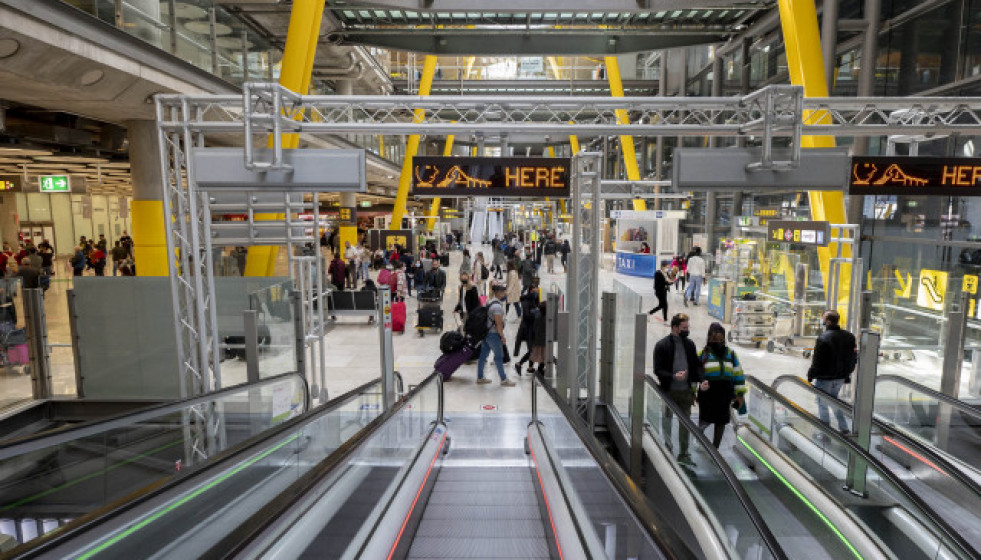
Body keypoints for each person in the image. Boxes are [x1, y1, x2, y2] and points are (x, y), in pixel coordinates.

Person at [653, 313, 703, 465]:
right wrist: (674, 376)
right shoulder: (662, 345)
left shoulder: (690, 345)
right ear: (675, 327)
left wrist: (701, 382)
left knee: (685, 424)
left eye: (688, 327)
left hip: (685, 392)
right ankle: (667, 448)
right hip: (669, 391)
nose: (687, 330)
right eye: (684, 327)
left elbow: (694, 368)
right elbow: (658, 370)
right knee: (667, 420)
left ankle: (684, 452)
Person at [807, 310, 857, 435]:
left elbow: (818, 360)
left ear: (828, 321)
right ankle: (844, 428)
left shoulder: (823, 338)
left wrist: (811, 374)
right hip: (840, 377)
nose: (822, 321)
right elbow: (852, 358)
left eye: (823, 319)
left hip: (825, 378)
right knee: (834, 401)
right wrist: (847, 373)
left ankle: (825, 430)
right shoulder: (849, 336)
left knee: (822, 403)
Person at [697, 323, 746, 448]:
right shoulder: (703, 354)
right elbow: (694, 374)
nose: (718, 342)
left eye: (720, 339)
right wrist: (692, 392)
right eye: (715, 339)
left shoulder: (731, 354)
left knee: (721, 422)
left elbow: (738, 374)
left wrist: (739, 394)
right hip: (708, 395)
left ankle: (715, 448)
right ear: (709, 338)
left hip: (724, 395)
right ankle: (699, 440)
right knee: (705, 421)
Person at [476, 283, 517, 387]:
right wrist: (502, 337)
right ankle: (503, 379)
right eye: (504, 292)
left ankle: (480, 377)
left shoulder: (490, 302)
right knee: (499, 357)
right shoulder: (497, 307)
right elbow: (498, 324)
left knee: (483, 356)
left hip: (486, 333)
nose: (505, 294)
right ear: (499, 293)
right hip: (494, 335)